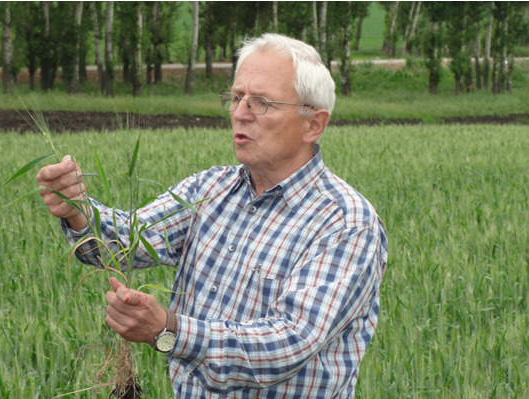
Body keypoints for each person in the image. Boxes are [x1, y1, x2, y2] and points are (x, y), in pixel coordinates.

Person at [36, 33, 388, 398]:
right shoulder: (210, 189)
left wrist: (167, 329)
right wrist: (78, 210)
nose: (239, 113)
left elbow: (289, 344)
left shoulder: (345, 222)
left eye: (261, 102)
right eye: (236, 98)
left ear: (313, 124)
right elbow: (128, 243)